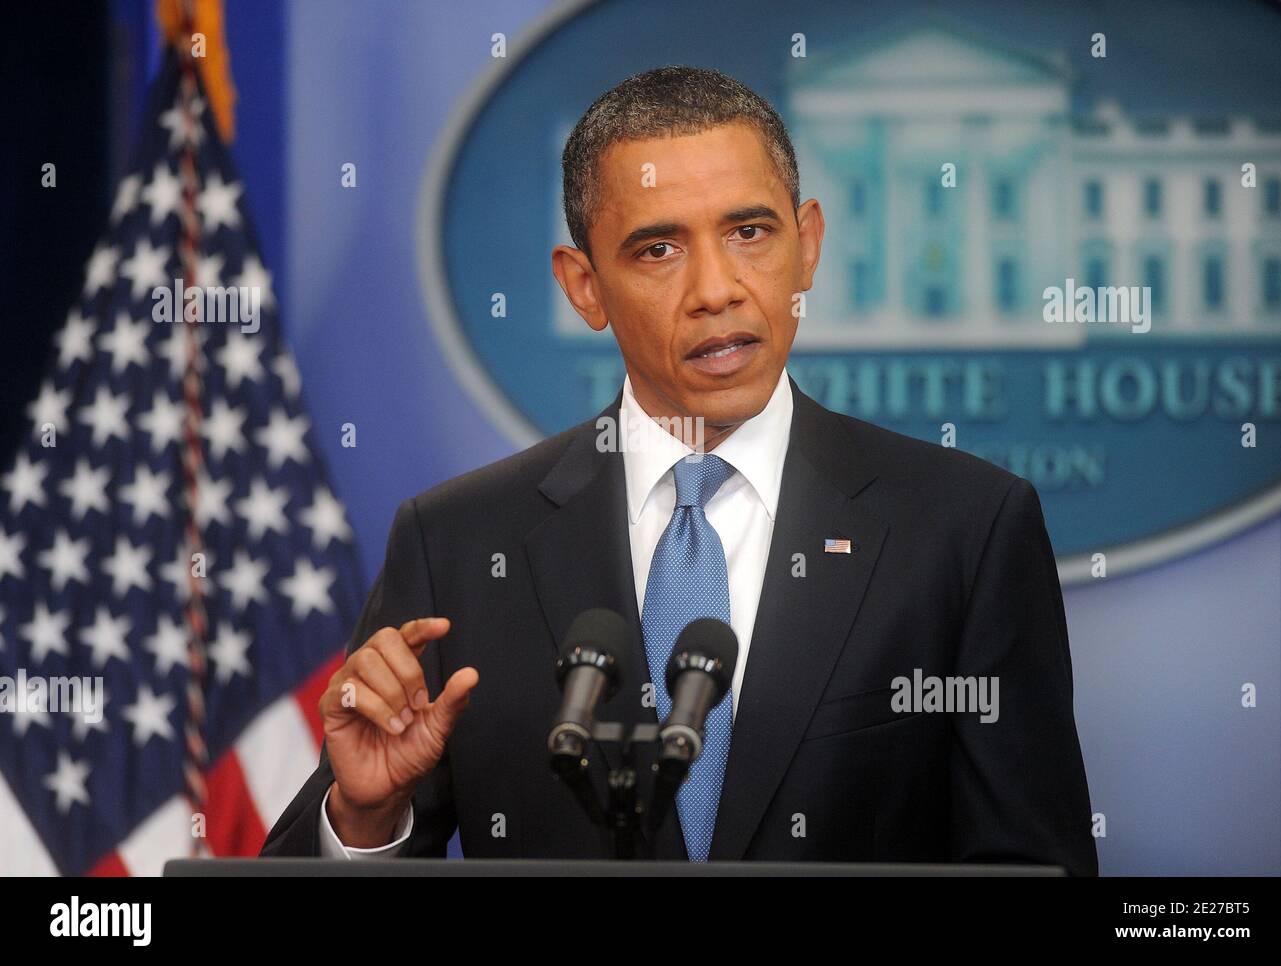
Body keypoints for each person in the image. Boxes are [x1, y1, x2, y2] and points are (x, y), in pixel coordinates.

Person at [261, 65, 1098, 873]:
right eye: (659, 249)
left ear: (807, 246)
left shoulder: (962, 530)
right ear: (584, 287)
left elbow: (1033, 868)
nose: (717, 288)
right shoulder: (459, 546)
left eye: (749, 233)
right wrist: (364, 817)